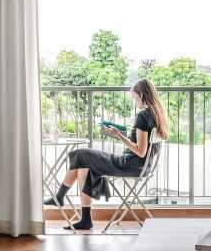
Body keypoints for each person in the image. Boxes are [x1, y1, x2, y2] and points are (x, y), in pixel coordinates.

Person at [45, 78, 170, 230]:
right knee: (84, 167)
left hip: (130, 164)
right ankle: (85, 219)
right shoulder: (156, 115)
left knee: (80, 154)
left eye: (135, 97)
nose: (135, 101)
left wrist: (120, 136)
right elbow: (144, 147)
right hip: (142, 166)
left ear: (142, 95)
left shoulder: (143, 116)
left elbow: (141, 151)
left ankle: (59, 196)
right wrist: (124, 134)